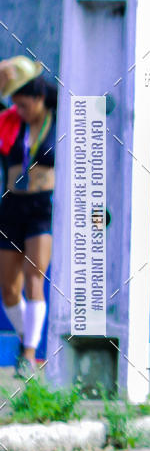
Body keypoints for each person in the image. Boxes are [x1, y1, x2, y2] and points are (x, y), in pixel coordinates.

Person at [0, 56, 57, 379]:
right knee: (9, 288)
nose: (19, 110)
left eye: (24, 104)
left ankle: (29, 354)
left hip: (42, 207)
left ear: (38, 99)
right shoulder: (9, 122)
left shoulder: (59, 120)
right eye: (14, 104)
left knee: (35, 275)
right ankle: (28, 337)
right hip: (11, 207)